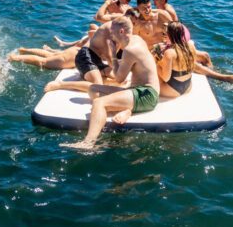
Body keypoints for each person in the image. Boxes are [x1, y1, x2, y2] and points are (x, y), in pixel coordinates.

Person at [61, 16, 160, 150]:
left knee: (99, 103)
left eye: (112, 32)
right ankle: (123, 109)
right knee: (93, 89)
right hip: (137, 90)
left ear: (121, 32)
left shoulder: (130, 49)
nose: (111, 35)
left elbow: (119, 79)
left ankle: (88, 143)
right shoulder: (137, 39)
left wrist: (113, 54)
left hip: (146, 94)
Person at [153, 22, 194, 98]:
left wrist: (158, 62)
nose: (165, 36)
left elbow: (165, 78)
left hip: (173, 90)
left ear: (170, 35)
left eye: (166, 34)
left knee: (154, 67)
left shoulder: (170, 53)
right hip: (188, 86)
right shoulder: (191, 46)